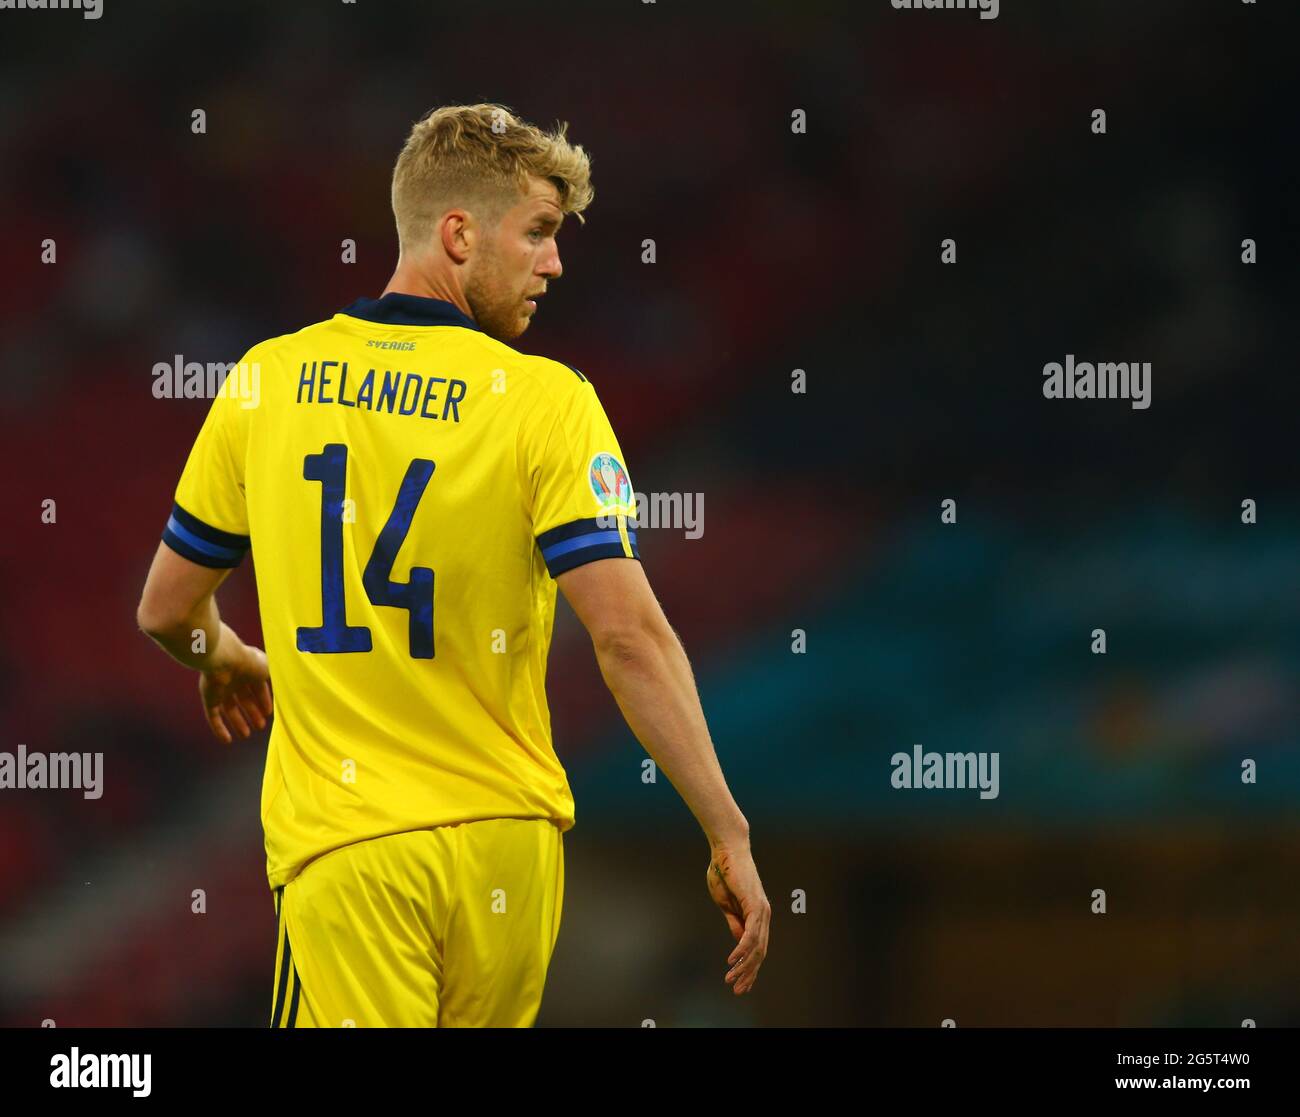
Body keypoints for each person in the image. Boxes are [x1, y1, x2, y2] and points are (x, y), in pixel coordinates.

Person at [135, 103, 769, 1027]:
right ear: (460, 234)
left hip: (354, 854)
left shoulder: (267, 381)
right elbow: (628, 633)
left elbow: (165, 608)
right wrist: (726, 827)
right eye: (541, 234)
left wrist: (220, 653)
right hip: (508, 854)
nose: (555, 263)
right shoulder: (548, 402)